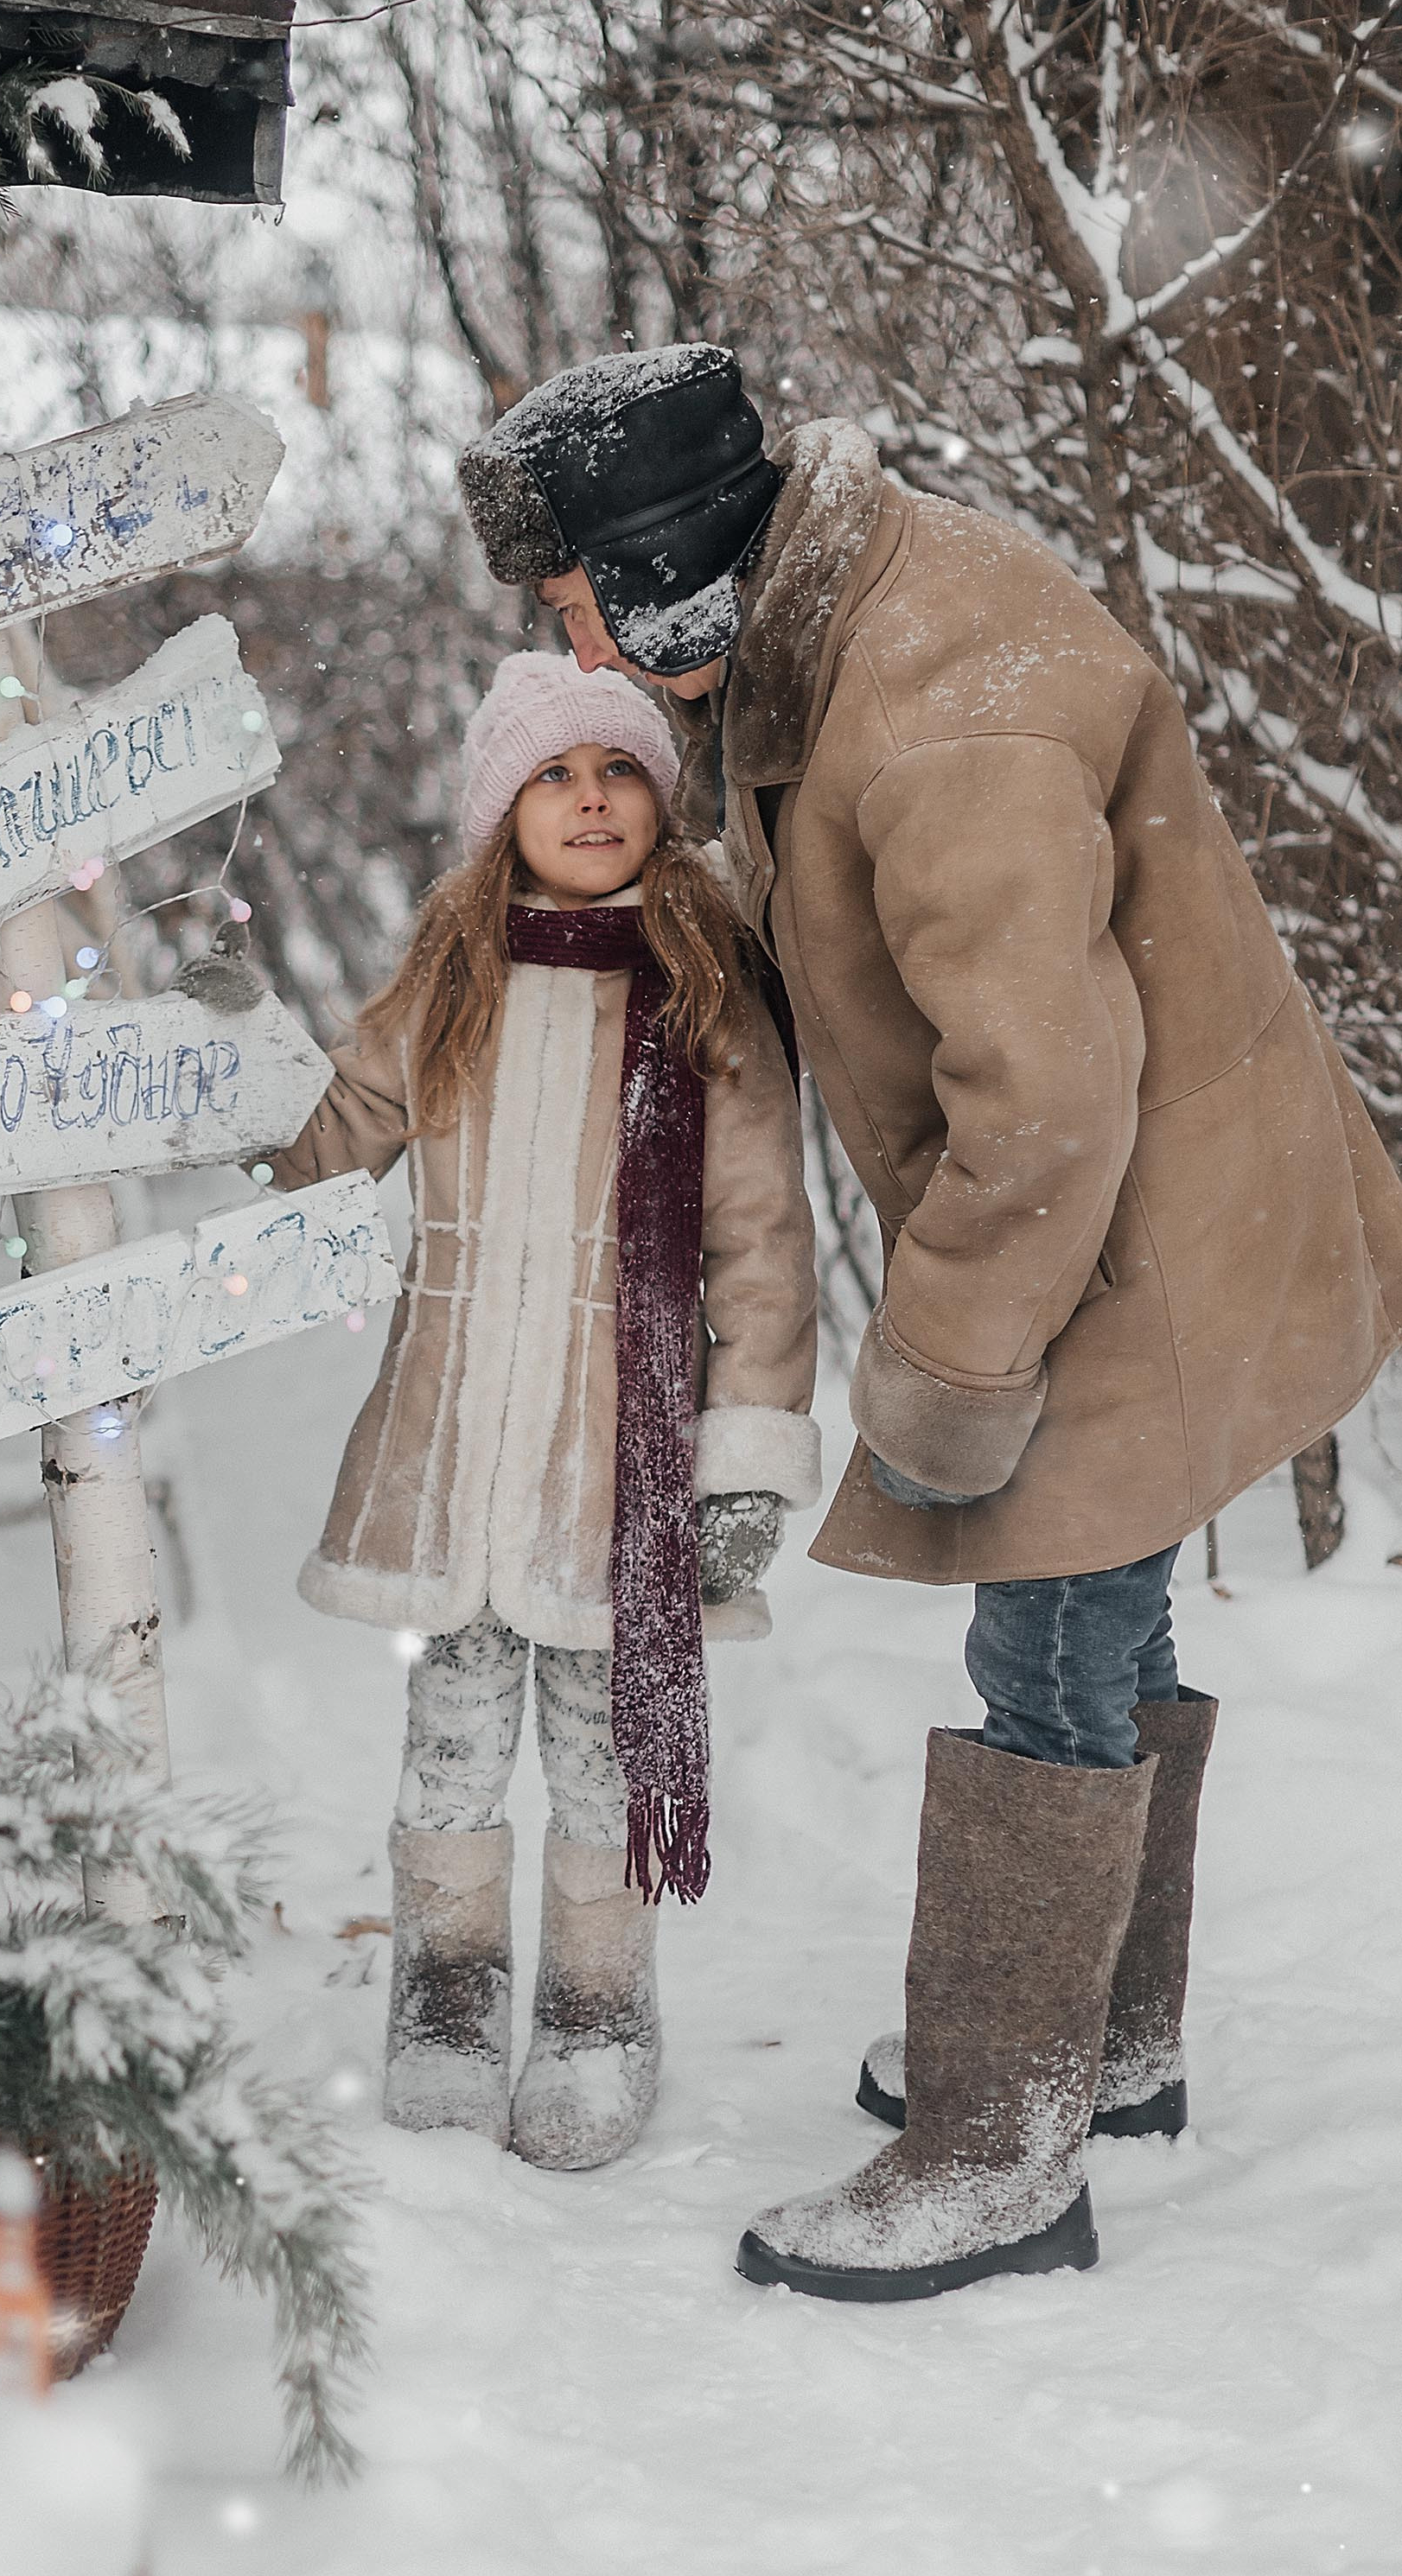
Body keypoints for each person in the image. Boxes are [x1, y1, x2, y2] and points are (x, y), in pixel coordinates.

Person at [457, 344, 1402, 2295]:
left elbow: (1041, 1101)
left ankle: (995, 2141)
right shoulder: (849, 616)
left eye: (577, 608)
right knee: (1102, 1597)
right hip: (1134, 1195)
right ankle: (1100, 2041)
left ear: (667, 572)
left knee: (1042, 1621)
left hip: (1114, 1220)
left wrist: (949, 1372)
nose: (578, 648)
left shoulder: (923, 708)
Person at [256, 653, 820, 2172]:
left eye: (620, 770)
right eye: (555, 773)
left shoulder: (705, 998)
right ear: (502, 807)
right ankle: (445, 2001)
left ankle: (594, 2009)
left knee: (598, 1757)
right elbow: (326, 1141)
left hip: (611, 1461)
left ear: (660, 802)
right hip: (454, 1437)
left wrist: (745, 1454)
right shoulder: (451, 980)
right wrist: (225, 1064)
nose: (589, 797)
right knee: (447, 1736)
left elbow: (763, 1243)